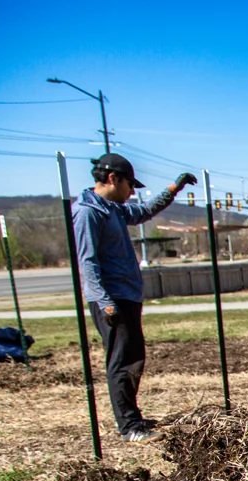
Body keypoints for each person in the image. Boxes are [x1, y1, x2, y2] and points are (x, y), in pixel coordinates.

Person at [73, 153, 196, 442]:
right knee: (122, 361)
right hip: (111, 299)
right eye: (130, 184)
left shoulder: (113, 208)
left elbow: (142, 212)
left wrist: (172, 191)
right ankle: (129, 427)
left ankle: (134, 417)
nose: (132, 192)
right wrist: (104, 301)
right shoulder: (88, 212)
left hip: (126, 295)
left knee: (134, 358)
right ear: (113, 179)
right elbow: (87, 261)